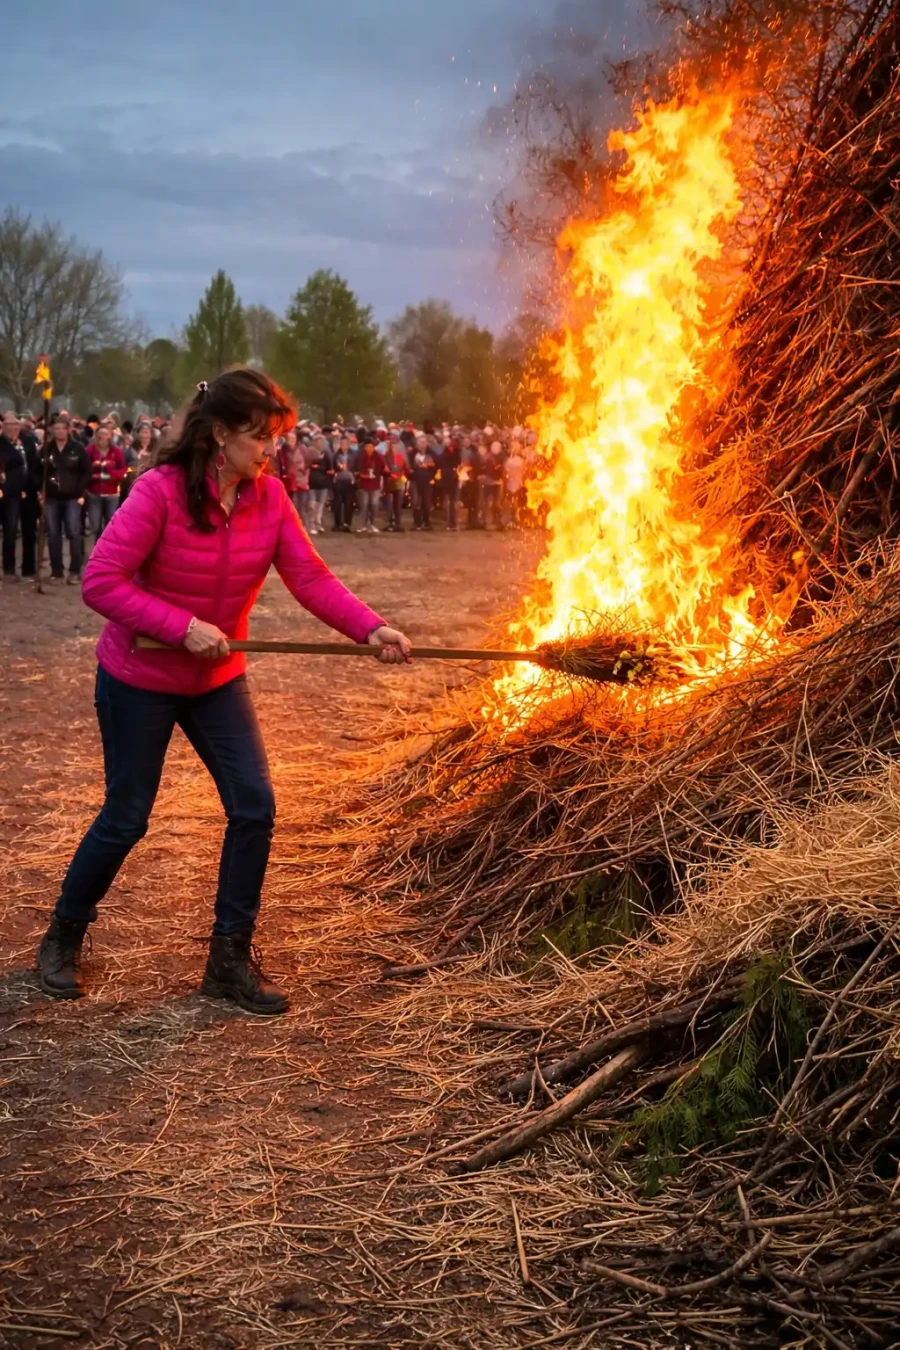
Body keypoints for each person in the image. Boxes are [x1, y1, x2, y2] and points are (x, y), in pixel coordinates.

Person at [35, 369, 412, 1014]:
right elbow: (100, 581)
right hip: (139, 679)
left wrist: (369, 628)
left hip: (217, 681)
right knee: (127, 817)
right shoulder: (158, 492)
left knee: (254, 806)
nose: (272, 449)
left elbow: (311, 578)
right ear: (218, 434)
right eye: (259, 436)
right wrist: (179, 627)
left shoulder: (269, 499)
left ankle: (229, 960)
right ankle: (63, 936)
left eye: (276, 437)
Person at [42, 416, 92, 582]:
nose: (59, 431)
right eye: (56, 428)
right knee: (53, 533)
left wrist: (80, 491)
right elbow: (36, 471)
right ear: (52, 430)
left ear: (68, 430)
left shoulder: (77, 448)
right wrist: (39, 488)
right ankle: (56, 570)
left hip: (72, 497)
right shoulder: (46, 449)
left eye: (62, 428)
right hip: (51, 497)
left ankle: (75, 570)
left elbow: (86, 471)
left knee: (73, 531)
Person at [85, 425, 127, 540]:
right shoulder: (89, 450)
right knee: (95, 525)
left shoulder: (117, 451)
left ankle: (108, 548)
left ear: (110, 438)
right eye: (99, 437)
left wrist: (111, 472)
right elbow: (83, 469)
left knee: (111, 523)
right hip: (94, 492)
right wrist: (93, 472)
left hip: (112, 492)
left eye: (105, 437)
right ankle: (98, 547)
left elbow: (123, 470)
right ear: (95, 438)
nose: (102, 440)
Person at [355, 439, 385, 533]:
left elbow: (382, 469)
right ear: (365, 447)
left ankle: (372, 524)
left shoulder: (378, 457)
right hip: (363, 484)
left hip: (375, 484)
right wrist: (361, 475)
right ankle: (363, 525)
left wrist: (376, 474)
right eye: (367, 447)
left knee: (374, 504)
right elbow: (356, 469)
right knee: (364, 504)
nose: (369, 449)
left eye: (371, 447)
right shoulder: (360, 457)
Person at [382, 431, 408, 532]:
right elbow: (384, 467)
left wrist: (403, 473)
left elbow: (406, 468)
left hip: (399, 481)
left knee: (398, 503)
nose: (394, 445)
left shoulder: (402, 456)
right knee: (389, 503)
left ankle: (398, 523)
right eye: (392, 443)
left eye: (395, 443)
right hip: (389, 481)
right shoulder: (386, 455)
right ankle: (390, 522)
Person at [306, 435, 330, 535]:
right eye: (318, 441)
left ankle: (318, 523)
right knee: (312, 505)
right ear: (314, 442)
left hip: (323, 482)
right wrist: (316, 467)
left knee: (320, 505)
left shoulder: (326, 453)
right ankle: (311, 524)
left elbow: (328, 467)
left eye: (321, 441)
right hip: (312, 482)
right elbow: (308, 465)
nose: (319, 443)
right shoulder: (309, 452)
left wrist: (318, 467)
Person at [331, 437, 356, 532]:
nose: (344, 445)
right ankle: (337, 523)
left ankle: (347, 523)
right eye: (342, 443)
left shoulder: (353, 454)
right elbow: (332, 466)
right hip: (338, 481)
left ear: (349, 444)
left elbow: (356, 466)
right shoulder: (336, 455)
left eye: (346, 443)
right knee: (337, 503)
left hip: (350, 481)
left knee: (349, 503)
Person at [411, 435, 436, 530]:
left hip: (428, 481)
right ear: (417, 444)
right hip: (415, 480)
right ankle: (417, 523)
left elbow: (436, 466)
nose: (422, 445)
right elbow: (409, 465)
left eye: (424, 442)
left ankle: (426, 522)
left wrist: (430, 471)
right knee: (416, 502)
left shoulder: (431, 453)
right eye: (420, 442)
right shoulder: (412, 453)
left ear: (427, 443)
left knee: (427, 502)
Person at [504, 439, 527, 528]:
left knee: (516, 504)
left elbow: (523, 472)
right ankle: (511, 521)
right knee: (511, 503)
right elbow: (505, 472)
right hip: (510, 484)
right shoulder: (509, 460)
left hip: (517, 484)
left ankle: (516, 521)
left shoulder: (519, 460)